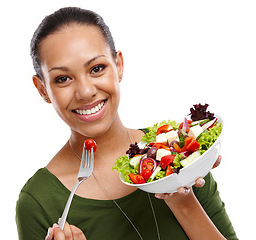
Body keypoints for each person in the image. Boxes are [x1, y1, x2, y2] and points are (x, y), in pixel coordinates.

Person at [16, 7, 238, 240]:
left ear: (118, 65)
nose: (85, 91)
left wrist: (182, 198)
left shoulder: (181, 153)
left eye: (97, 68)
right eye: (63, 79)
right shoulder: (38, 202)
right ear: (43, 89)